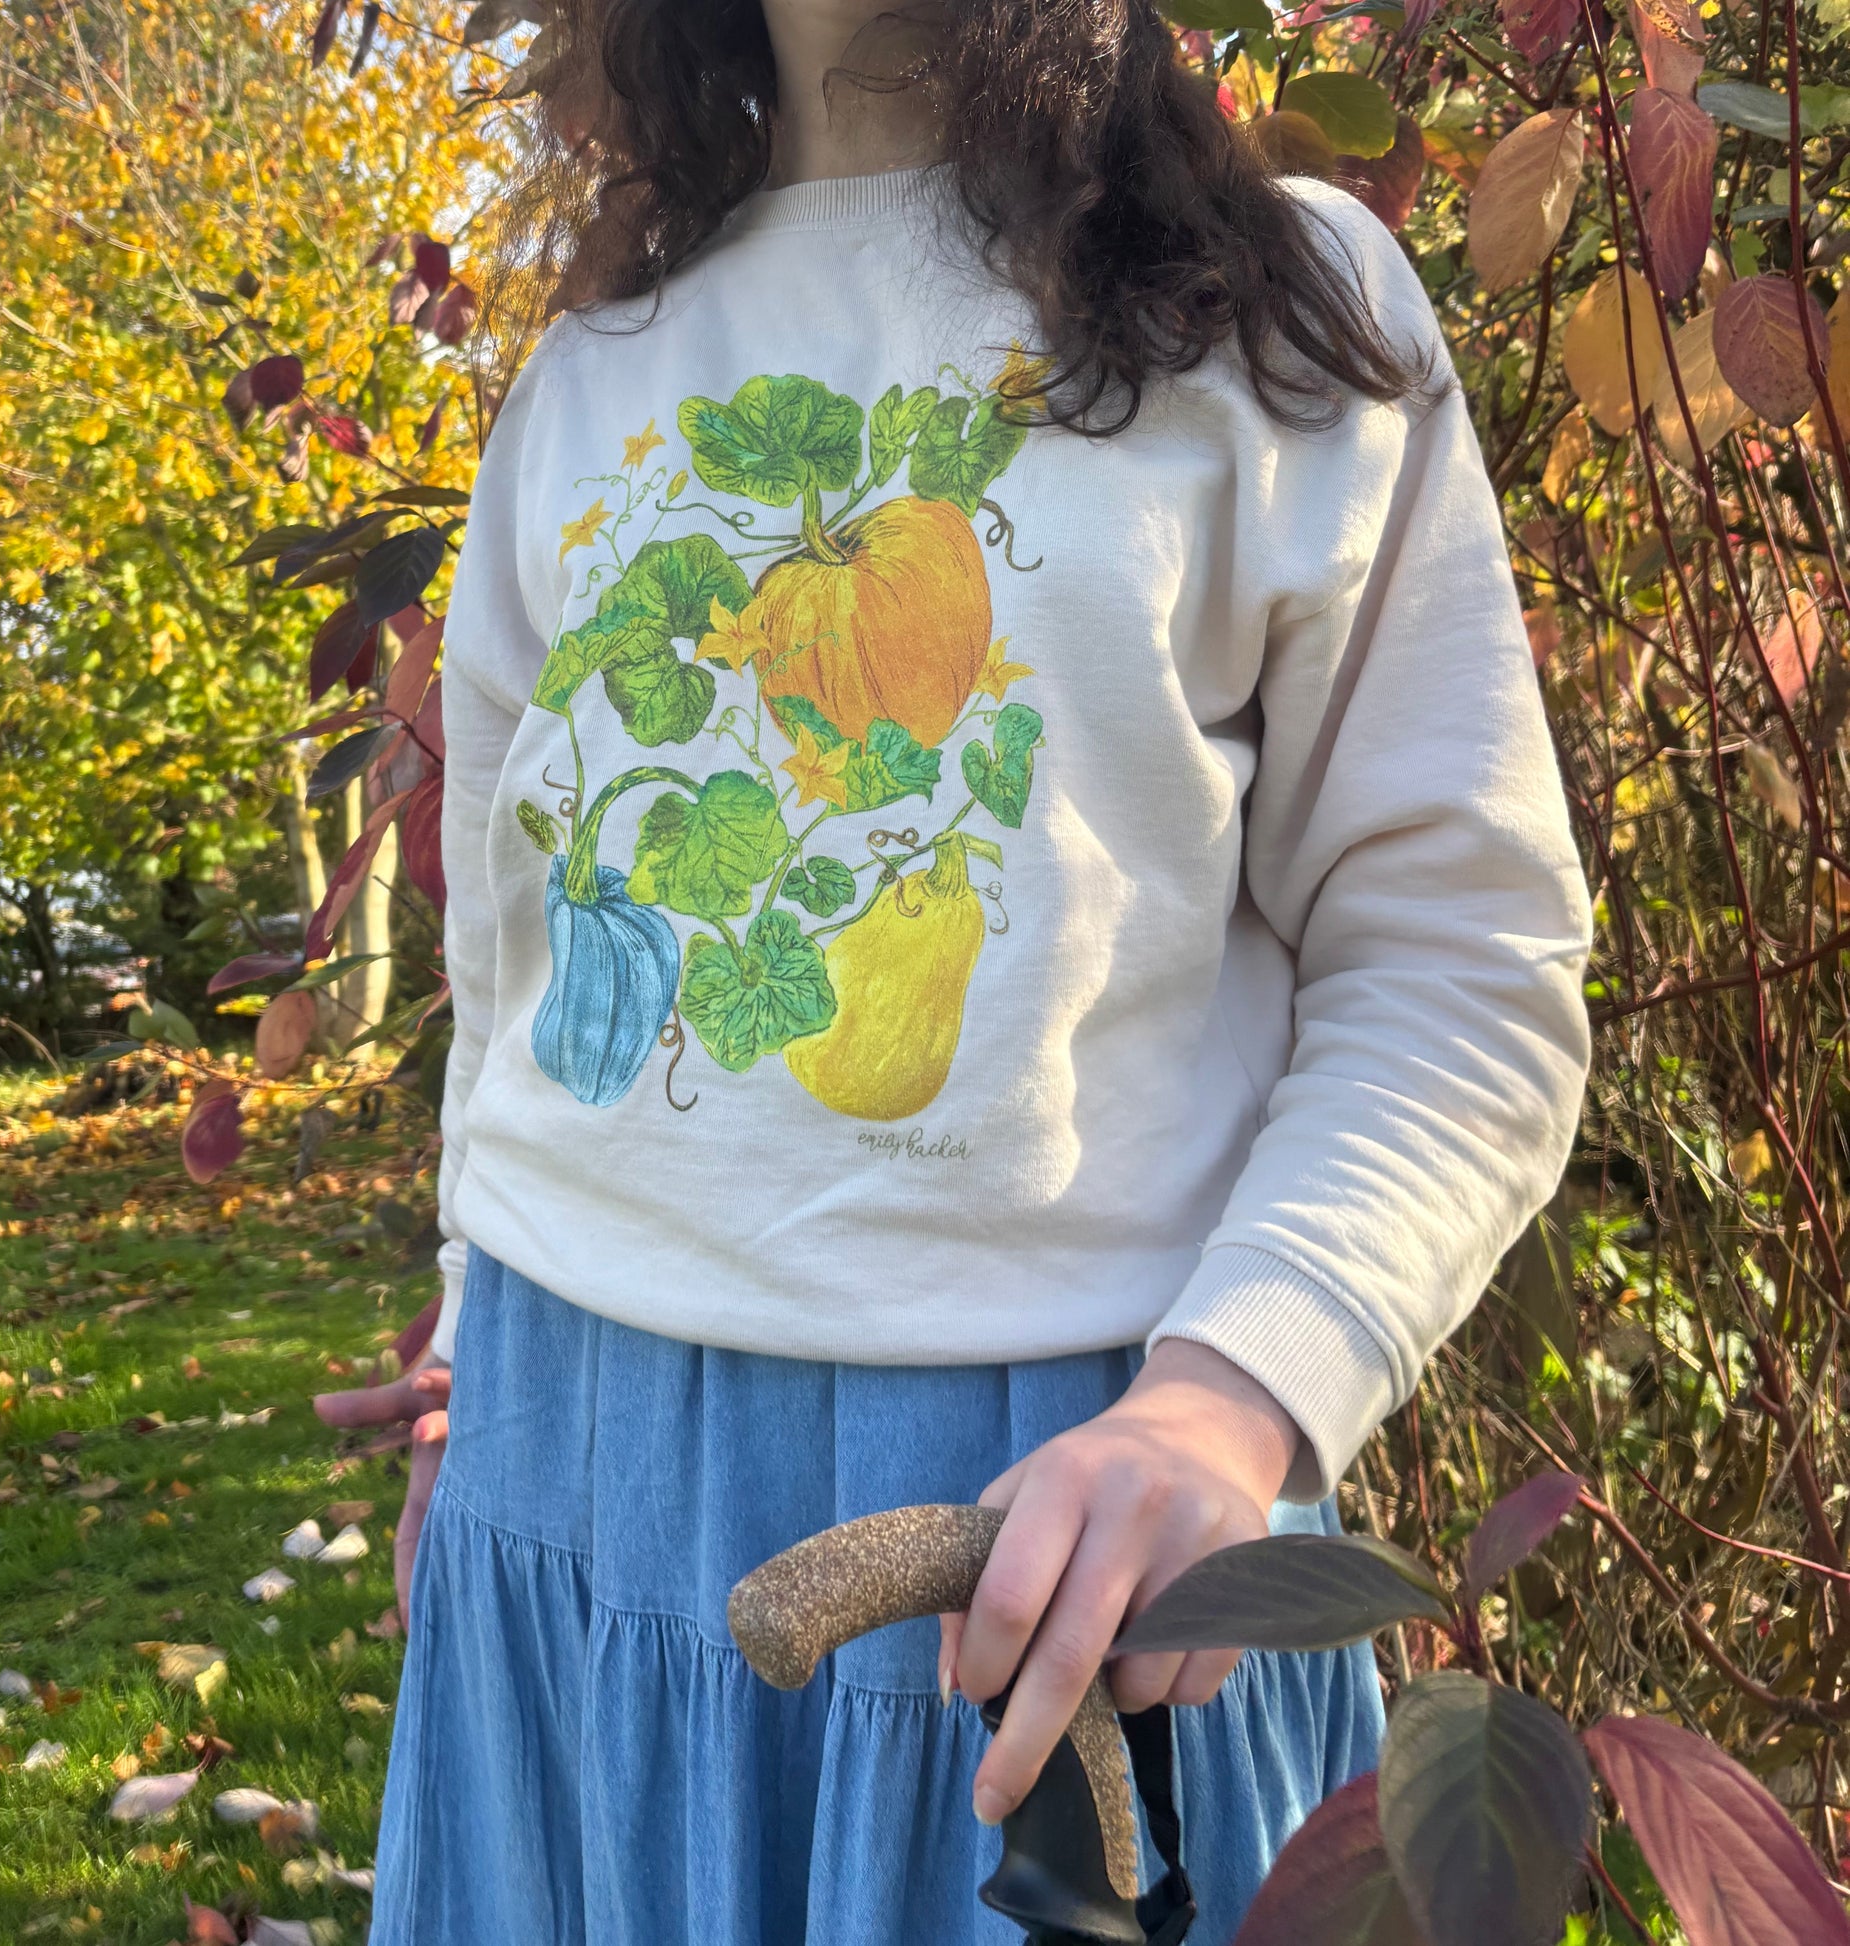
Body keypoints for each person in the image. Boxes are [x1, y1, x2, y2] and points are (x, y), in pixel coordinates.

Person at [315, 1, 1592, 1939]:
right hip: (562, 1520)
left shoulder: (1272, 309)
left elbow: (1461, 963)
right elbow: (512, 995)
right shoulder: (586, 379)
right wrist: (473, 1341)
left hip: (1055, 1590)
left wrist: (1228, 1405)